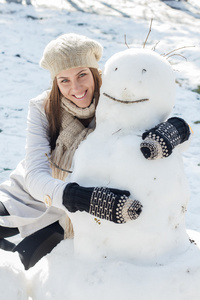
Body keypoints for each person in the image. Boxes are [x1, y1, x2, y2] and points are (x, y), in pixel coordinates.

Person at [0, 33, 191, 270]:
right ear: (55, 82)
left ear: (95, 72)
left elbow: (159, 112)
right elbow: (35, 176)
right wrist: (82, 198)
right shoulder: (43, 107)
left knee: (21, 264)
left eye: (82, 75)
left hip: (73, 217)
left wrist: (177, 129)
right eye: (64, 80)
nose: (76, 88)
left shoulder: (115, 99)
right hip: (34, 195)